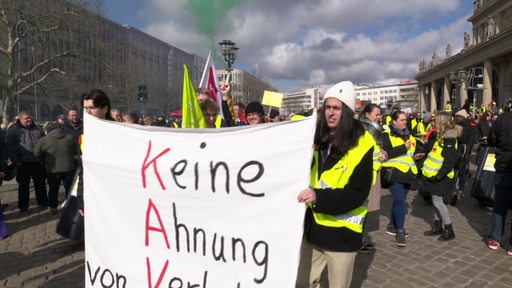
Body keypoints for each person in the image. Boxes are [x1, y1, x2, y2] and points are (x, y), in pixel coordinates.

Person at [296, 81, 375, 288]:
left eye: (336, 108)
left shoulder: (363, 144)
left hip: (342, 236)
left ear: (347, 112)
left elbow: (357, 193)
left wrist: (318, 197)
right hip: (313, 230)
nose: (330, 113)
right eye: (327, 108)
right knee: (302, 283)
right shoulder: (315, 138)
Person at [382, 110, 425, 247]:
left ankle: (391, 225)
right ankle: (400, 230)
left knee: (399, 201)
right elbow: (386, 153)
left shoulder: (409, 136)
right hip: (393, 174)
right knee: (400, 201)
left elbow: (410, 154)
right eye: (401, 120)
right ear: (394, 121)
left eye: (405, 120)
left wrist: (416, 156)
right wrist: (403, 147)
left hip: (408, 174)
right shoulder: (386, 134)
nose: (405, 122)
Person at [421, 112, 462, 241]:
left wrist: (439, 175)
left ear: (441, 122)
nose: (432, 122)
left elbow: (450, 160)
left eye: (434, 120)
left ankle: (449, 229)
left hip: (442, 175)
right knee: (435, 201)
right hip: (436, 174)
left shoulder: (449, 138)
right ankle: (438, 226)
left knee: (438, 202)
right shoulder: (440, 135)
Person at [358, 103, 387, 253]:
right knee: (361, 208)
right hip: (366, 173)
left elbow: (375, 147)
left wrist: (382, 153)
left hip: (374, 171)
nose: (379, 117)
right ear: (367, 114)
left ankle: (360, 239)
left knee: (365, 209)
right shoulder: (362, 128)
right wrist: (378, 156)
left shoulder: (374, 128)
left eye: (380, 114)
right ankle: (357, 241)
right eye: (376, 114)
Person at [6, 111, 47, 214]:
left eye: (30, 118)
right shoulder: (14, 131)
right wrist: (16, 161)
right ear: (20, 119)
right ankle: (23, 206)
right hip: (23, 163)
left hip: (37, 162)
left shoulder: (38, 129)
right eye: (26, 118)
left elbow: (44, 143)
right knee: (23, 187)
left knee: (40, 184)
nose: (29, 120)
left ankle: (43, 202)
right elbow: (10, 148)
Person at [34, 122, 79, 214]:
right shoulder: (69, 138)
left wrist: (44, 161)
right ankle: (70, 206)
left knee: (53, 189)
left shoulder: (44, 140)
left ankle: (53, 207)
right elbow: (77, 151)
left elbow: (36, 153)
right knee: (69, 189)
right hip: (69, 168)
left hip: (53, 169)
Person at [485, 108, 512, 253]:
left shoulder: (503, 118)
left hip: (503, 165)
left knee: (500, 204)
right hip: (504, 166)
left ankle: (495, 237)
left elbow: (491, 139)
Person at [454, 109, 477, 198]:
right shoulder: (456, 125)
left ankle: (461, 189)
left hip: (464, 152)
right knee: (454, 171)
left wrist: (467, 152)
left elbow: (470, 141)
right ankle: (451, 188)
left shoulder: (470, 126)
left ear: (463, 117)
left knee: (462, 172)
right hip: (455, 151)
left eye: (458, 116)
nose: (456, 118)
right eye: (456, 116)